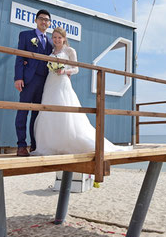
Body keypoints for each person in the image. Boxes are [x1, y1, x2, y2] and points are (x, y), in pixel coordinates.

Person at [34, 27, 131, 155]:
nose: (57, 40)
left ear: (64, 38)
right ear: (52, 38)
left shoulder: (69, 50)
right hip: (50, 82)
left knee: (65, 110)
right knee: (48, 111)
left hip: (62, 81)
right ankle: (51, 144)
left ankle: (67, 142)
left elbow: (76, 69)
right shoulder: (51, 51)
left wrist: (64, 71)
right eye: (55, 37)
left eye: (59, 37)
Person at [14, 9, 54, 156]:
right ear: (36, 21)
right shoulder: (25, 35)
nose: (44, 22)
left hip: (44, 82)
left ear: (49, 24)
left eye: (47, 20)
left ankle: (34, 145)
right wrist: (18, 77)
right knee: (23, 111)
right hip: (28, 80)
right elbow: (19, 57)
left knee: (37, 114)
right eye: (41, 19)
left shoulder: (51, 42)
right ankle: (21, 145)